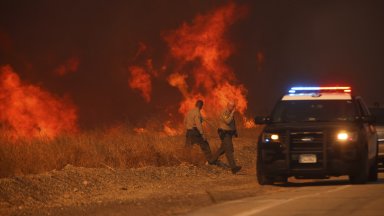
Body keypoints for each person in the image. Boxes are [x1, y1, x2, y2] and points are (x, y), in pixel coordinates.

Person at [211, 101, 242, 174]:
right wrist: (232, 114)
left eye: (234, 106)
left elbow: (232, 123)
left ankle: (212, 160)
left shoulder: (230, 113)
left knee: (223, 149)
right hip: (224, 134)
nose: (233, 108)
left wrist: (235, 131)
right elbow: (227, 121)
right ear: (228, 106)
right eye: (232, 106)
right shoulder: (224, 112)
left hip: (229, 134)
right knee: (229, 150)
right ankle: (233, 167)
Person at [184, 100, 216, 164]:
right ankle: (210, 161)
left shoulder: (189, 112)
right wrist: (202, 134)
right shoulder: (197, 113)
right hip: (195, 132)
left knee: (187, 147)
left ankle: (185, 161)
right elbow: (198, 124)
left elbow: (185, 121)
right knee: (205, 145)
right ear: (201, 106)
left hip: (189, 132)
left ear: (196, 104)